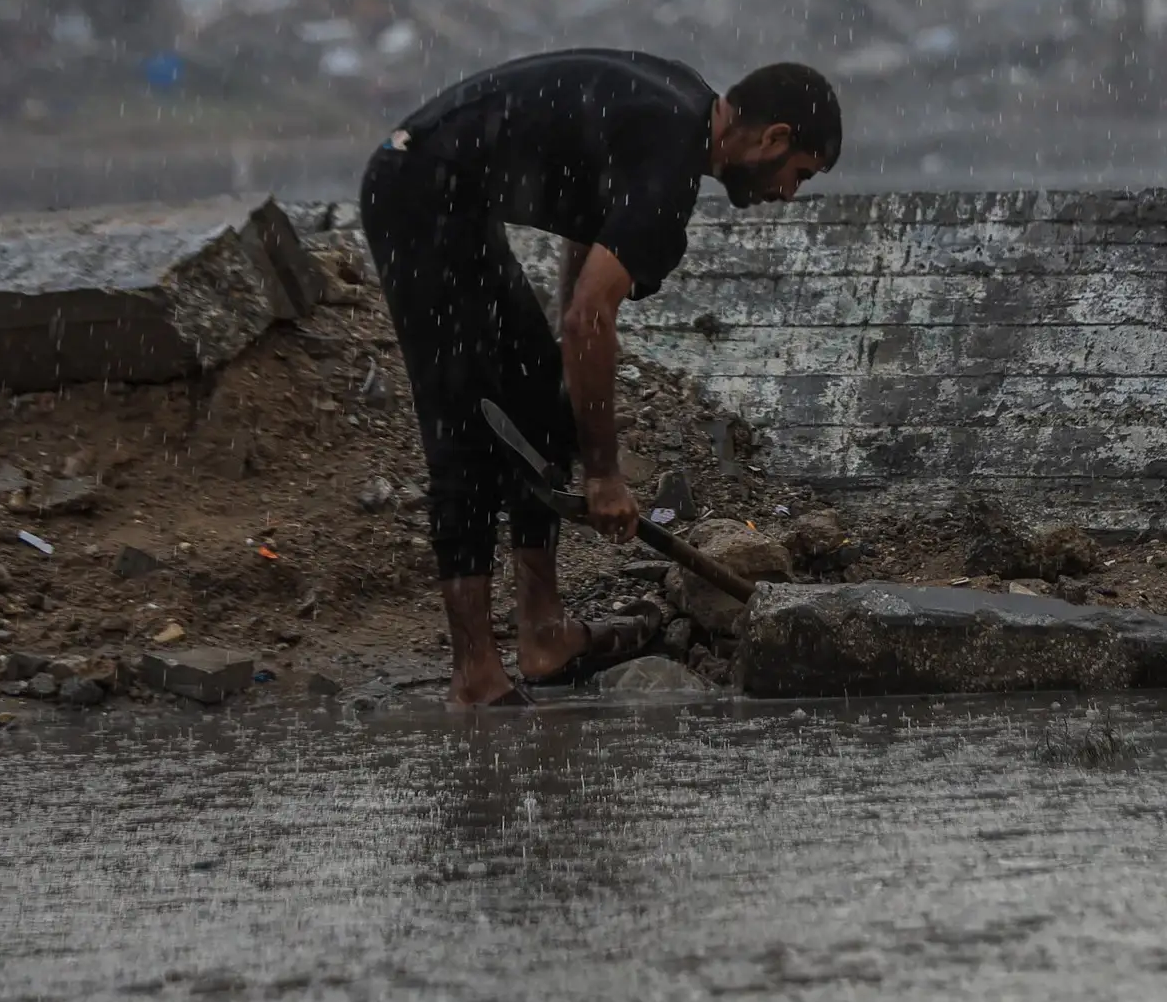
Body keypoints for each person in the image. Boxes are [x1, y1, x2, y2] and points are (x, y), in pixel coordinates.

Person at [359, 49, 840, 707]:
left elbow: (585, 248)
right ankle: (476, 674)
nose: (787, 194)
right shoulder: (672, 163)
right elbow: (591, 316)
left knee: (539, 400)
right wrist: (604, 475)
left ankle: (544, 634)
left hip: (449, 194)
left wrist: (563, 381)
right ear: (775, 138)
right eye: (799, 174)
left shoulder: (680, 111)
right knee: (463, 427)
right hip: (415, 189)